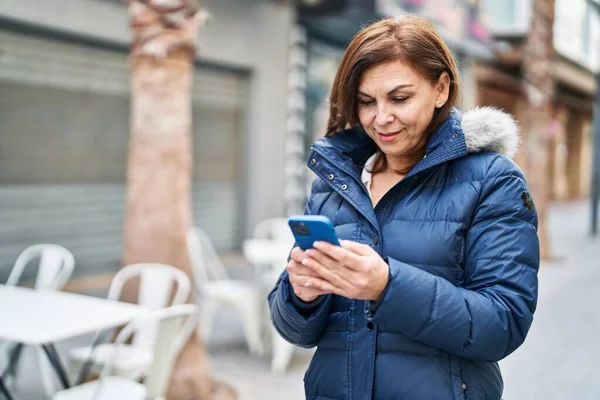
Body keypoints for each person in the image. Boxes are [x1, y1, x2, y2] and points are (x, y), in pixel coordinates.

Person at [268, 15, 539, 400]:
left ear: (441, 88)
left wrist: (387, 287)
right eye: (366, 102)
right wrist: (299, 295)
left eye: (399, 98)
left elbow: (503, 324)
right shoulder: (335, 182)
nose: (381, 118)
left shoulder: (493, 181)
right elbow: (296, 333)